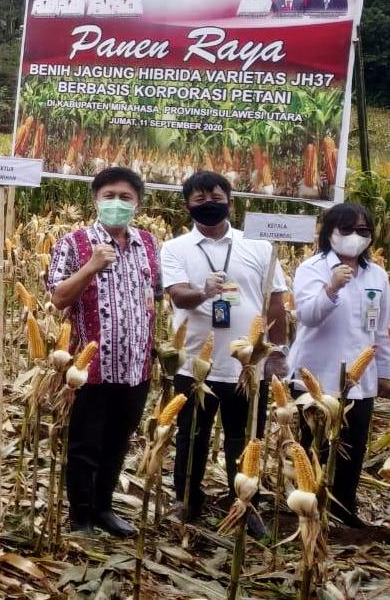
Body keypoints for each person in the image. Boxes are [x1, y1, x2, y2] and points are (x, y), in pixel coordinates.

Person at [162, 171, 287, 539]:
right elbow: (178, 295)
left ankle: (245, 503)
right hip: (195, 362)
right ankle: (187, 498)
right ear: (186, 205)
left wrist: (276, 353)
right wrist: (203, 292)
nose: (209, 204)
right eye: (199, 199)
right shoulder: (176, 248)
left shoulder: (259, 245)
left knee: (246, 439)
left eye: (215, 197)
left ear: (230, 201)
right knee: (191, 435)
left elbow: (276, 301)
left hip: (248, 366)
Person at [47, 167, 160, 537]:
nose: (116, 203)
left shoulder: (148, 243)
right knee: (84, 444)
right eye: (109, 196)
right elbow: (59, 298)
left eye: (125, 197)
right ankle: (80, 515)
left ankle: (104, 508)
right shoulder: (74, 243)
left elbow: (155, 296)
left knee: (117, 442)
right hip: (89, 368)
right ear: (95, 200)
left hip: (135, 367)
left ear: (138, 203)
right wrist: (91, 267)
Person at [288, 202, 390, 528]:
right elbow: (308, 315)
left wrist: (385, 372)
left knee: (351, 450)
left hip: (359, 381)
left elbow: (381, 330)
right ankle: (308, 511)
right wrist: (332, 287)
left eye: (363, 231)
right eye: (346, 230)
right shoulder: (313, 268)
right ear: (330, 232)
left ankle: (343, 511)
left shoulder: (377, 274)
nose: (354, 237)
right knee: (312, 447)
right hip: (316, 377)